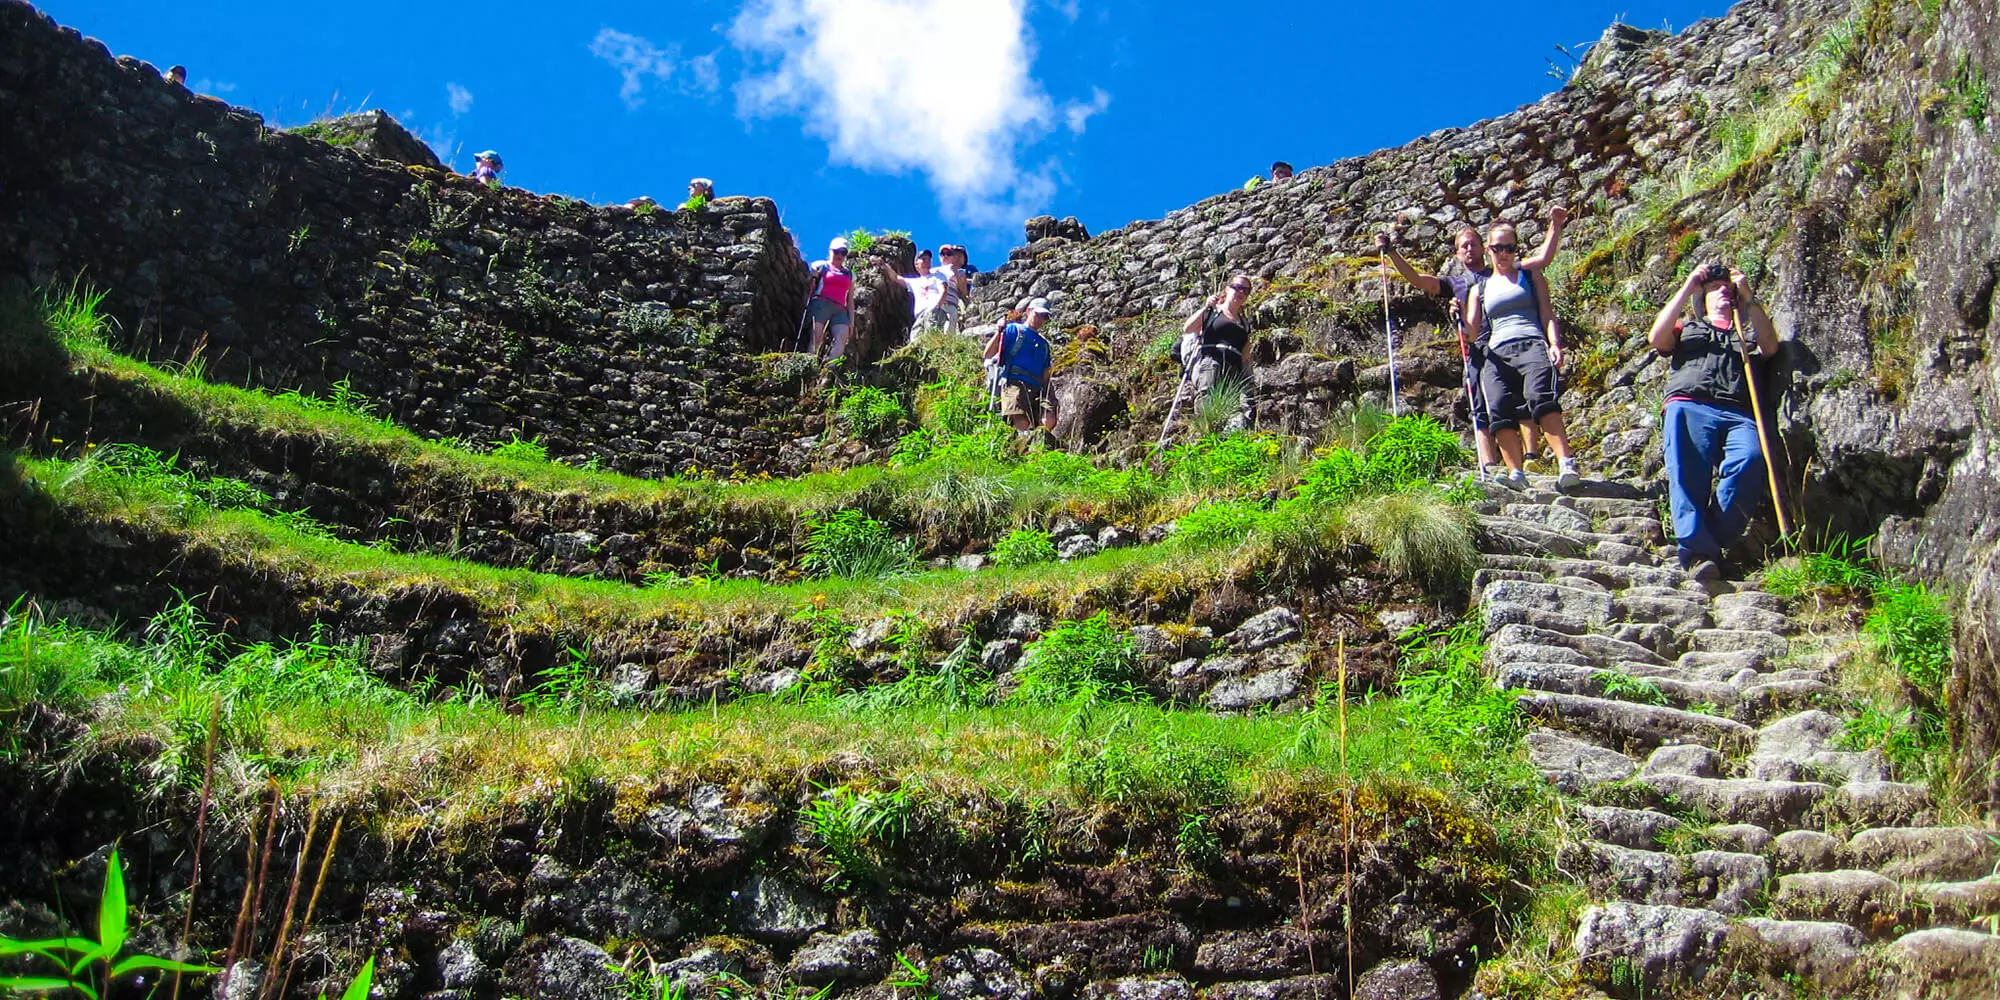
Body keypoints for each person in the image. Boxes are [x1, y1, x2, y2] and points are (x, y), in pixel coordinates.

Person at [1376, 205, 1567, 477]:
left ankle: (1530, 456)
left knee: (1524, 397)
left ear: (1484, 247)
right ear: (1457, 253)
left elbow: (1543, 260)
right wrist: (1392, 253)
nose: (1468, 250)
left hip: (1513, 339)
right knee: (1484, 404)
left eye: (1473, 244)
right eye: (1463, 246)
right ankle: (1490, 466)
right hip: (1478, 347)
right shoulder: (1457, 284)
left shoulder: (1503, 271)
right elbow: (1418, 280)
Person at [1647, 262, 1780, 581]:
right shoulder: (1688, 328)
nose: (1722, 291)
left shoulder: (1744, 337)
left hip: (1736, 410)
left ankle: (1712, 538)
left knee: (1749, 460)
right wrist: (1689, 285)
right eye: (1714, 288)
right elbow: (1657, 338)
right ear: (1702, 300)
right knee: (1687, 475)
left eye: (1727, 289)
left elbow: (1771, 347)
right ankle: (1698, 554)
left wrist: (1748, 296)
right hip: (1688, 404)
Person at [1463, 222, 1580, 490]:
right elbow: (1471, 332)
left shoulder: (1529, 275)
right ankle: (1515, 471)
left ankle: (1565, 463)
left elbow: (1547, 312)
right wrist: (1457, 316)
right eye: (1497, 248)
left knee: (1541, 398)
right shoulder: (1478, 290)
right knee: (1500, 407)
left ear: (1516, 249)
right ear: (1488, 249)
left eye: (1509, 247)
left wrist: (1555, 343)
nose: (1503, 253)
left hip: (1531, 343)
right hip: (1497, 353)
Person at [984, 298, 1056, 432]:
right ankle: (1024, 447)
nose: (1041, 319)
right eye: (1038, 314)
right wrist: (999, 331)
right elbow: (988, 353)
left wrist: (1049, 395)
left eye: (1045, 316)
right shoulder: (1014, 330)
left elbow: (1046, 373)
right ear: (1028, 311)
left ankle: (1035, 446)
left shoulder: (1044, 344)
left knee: (1048, 419)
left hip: (1037, 388)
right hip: (1013, 383)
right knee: (1022, 422)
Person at [1179, 274, 1253, 399]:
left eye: (1246, 290)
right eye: (1237, 287)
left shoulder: (1244, 324)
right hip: (1211, 362)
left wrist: (1249, 379)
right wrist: (1206, 308)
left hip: (1233, 369)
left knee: (1228, 409)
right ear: (1227, 289)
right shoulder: (1213, 311)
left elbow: (1245, 357)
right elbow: (1188, 328)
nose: (1241, 292)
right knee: (1207, 398)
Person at [806, 237, 856, 361]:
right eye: (836, 251)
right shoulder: (821, 266)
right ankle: (810, 364)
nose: (839, 255)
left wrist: (851, 321)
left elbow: (850, 300)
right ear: (830, 251)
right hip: (821, 303)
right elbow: (810, 283)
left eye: (843, 252)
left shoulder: (850, 275)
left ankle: (829, 368)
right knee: (816, 337)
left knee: (842, 337)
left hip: (840, 309)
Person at [919, 244, 971, 334]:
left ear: (953, 256)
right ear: (939, 256)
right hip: (933, 304)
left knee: (948, 332)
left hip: (950, 304)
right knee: (931, 331)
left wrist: (956, 274)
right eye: (943, 253)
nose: (946, 255)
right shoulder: (932, 271)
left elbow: (964, 291)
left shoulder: (960, 271)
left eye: (949, 253)